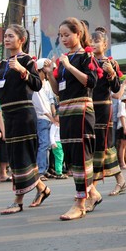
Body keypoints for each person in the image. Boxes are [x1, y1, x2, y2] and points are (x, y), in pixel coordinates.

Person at [0, 24, 50, 214]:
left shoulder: (27, 60)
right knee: (16, 157)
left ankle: (18, 200)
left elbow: (38, 84)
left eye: (10, 36)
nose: (7, 39)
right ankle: (42, 189)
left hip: (24, 114)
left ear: (21, 40)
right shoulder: (3, 64)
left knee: (23, 156)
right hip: (9, 115)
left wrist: (23, 71)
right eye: (5, 36)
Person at [48, 17, 98, 220]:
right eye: (61, 35)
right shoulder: (63, 60)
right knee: (70, 154)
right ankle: (91, 193)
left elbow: (91, 81)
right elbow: (58, 91)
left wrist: (68, 67)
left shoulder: (86, 56)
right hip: (66, 111)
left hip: (82, 110)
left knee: (80, 154)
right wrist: (49, 74)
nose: (63, 39)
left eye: (67, 34)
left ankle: (80, 202)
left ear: (78, 34)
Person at [89, 29, 126, 201]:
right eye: (91, 41)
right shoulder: (86, 61)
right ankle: (120, 180)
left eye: (97, 41)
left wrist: (111, 73)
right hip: (88, 107)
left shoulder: (111, 63)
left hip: (103, 108)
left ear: (105, 45)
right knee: (102, 146)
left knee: (101, 145)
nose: (93, 44)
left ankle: (92, 188)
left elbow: (117, 90)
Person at [33, 58, 57, 180]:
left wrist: (53, 116)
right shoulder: (35, 84)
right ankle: (40, 171)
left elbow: (51, 100)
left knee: (47, 145)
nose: (48, 72)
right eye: (46, 69)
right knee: (43, 144)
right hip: (41, 118)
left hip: (48, 118)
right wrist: (52, 118)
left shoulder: (46, 84)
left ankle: (45, 169)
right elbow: (41, 106)